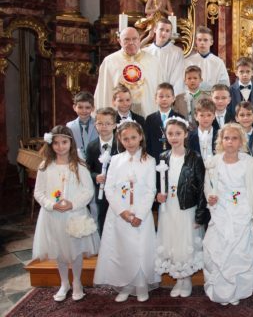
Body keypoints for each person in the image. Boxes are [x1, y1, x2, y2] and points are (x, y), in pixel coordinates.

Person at [94, 121, 160, 303]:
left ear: (140, 137)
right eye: (125, 138)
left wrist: (139, 214)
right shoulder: (115, 160)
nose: (130, 142)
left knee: (140, 249)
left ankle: (141, 285)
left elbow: (150, 191)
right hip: (119, 215)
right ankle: (125, 284)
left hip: (141, 215)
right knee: (122, 249)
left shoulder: (149, 160)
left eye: (133, 137)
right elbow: (109, 189)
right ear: (120, 140)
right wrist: (122, 212)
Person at [32, 125, 99, 302]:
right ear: (50, 145)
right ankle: (64, 283)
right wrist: (51, 205)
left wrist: (73, 204)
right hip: (53, 215)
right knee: (60, 251)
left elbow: (88, 191)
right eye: (56, 143)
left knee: (75, 250)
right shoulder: (45, 166)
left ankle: (77, 282)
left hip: (74, 215)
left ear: (71, 143)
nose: (60, 146)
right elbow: (38, 192)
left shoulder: (79, 165)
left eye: (64, 142)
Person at [203, 123, 253, 306]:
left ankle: (237, 291)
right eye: (226, 138)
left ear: (241, 141)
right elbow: (209, 185)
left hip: (242, 211)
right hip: (221, 210)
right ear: (221, 140)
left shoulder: (249, 162)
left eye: (234, 138)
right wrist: (210, 198)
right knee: (217, 250)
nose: (230, 142)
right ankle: (220, 291)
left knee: (239, 252)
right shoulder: (214, 161)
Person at [156, 116, 208, 298]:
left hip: (187, 208)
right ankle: (178, 279)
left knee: (185, 242)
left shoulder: (194, 158)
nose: (174, 137)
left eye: (178, 133)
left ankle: (186, 280)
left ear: (186, 134)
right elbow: (159, 184)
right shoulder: (163, 157)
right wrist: (158, 195)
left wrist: (200, 216)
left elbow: (202, 188)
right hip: (168, 207)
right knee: (173, 241)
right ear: (165, 135)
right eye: (170, 133)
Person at [94, 27, 162, 117]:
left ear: (139, 40)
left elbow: (160, 89)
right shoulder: (110, 61)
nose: (131, 42)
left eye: (134, 39)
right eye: (126, 39)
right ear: (119, 41)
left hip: (146, 113)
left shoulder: (153, 61)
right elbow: (103, 90)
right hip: (118, 114)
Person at [85, 107, 119, 237]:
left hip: (118, 189)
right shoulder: (92, 146)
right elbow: (88, 169)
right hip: (101, 191)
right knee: (102, 216)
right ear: (95, 124)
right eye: (100, 123)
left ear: (114, 125)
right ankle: (103, 242)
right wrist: (95, 177)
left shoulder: (120, 144)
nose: (104, 127)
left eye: (108, 123)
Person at [142, 18, 185, 95]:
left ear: (171, 33)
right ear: (155, 29)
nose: (164, 33)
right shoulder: (146, 52)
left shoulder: (177, 52)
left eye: (167, 31)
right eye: (161, 29)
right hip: (150, 94)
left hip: (168, 96)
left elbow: (178, 77)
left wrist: (169, 95)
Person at [145, 83, 184, 164]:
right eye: (161, 96)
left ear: (173, 99)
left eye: (168, 96)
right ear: (156, 99)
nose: (164, 99)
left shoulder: (179, 118)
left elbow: (183, 141)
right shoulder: (150, 119)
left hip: (174, 157)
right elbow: (147, 141)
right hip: (154, 158)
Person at [185, 26, 230, 91]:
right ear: (196, 42)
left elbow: (224, 84)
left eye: (205, 40)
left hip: (213, 97)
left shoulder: (218, 62)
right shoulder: (188, 61)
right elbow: (183, 83)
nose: (202, 43)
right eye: (199, 40)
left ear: (211, 42)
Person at [229, 57, 253, 130]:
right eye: (241, 72)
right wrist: (237, 128)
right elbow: (229, 113)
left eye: (248, 71)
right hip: (235, 130)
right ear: (236, 72)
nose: (245, 74)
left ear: (252, 72)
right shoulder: (230, 91)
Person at [66, 91, 98, 160]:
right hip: (76, 161)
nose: (84, 111)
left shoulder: (98, 124)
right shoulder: (69, 126)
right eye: (80, 107)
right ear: (74, 107)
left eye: (87, 107)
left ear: (93, 108)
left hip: (95, 161)